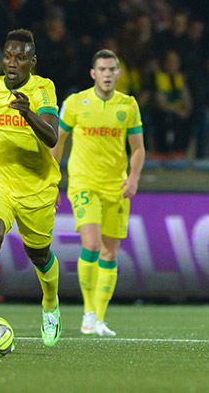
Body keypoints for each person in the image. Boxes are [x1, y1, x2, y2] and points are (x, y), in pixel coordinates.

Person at [0, 29, 62, 347]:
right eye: (8, 56)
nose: (12, 62)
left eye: (20, 57)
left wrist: (28, 112)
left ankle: (50, 304)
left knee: (39, 254)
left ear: (32, 61)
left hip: (37, 189)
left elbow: (52, 138)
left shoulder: (43, 89)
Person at [51, 49, 145, 336]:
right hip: (83, 183)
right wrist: (52, 181)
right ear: (93, 74)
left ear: (118, 73)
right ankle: (88, 312)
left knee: (110, 252)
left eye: (112, 69)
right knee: (91, 244)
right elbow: (58, 142)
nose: (107, 74)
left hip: (115, 186)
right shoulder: (75, 103)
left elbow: (138, 147)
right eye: (102, 69)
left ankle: (100, 318)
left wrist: (134, 177)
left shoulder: (128, 105)